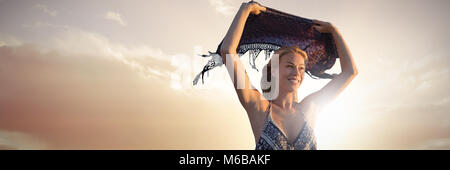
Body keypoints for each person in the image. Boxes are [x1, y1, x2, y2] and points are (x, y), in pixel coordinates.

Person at [220, 2, 358, 150]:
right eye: (290, 66)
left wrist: (334, 30)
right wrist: (245, 9)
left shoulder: (310, 107)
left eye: (301, 68)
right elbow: (228, 51)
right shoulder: (258, 108)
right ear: (274, 70)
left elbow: (350, 72)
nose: (297, 73)